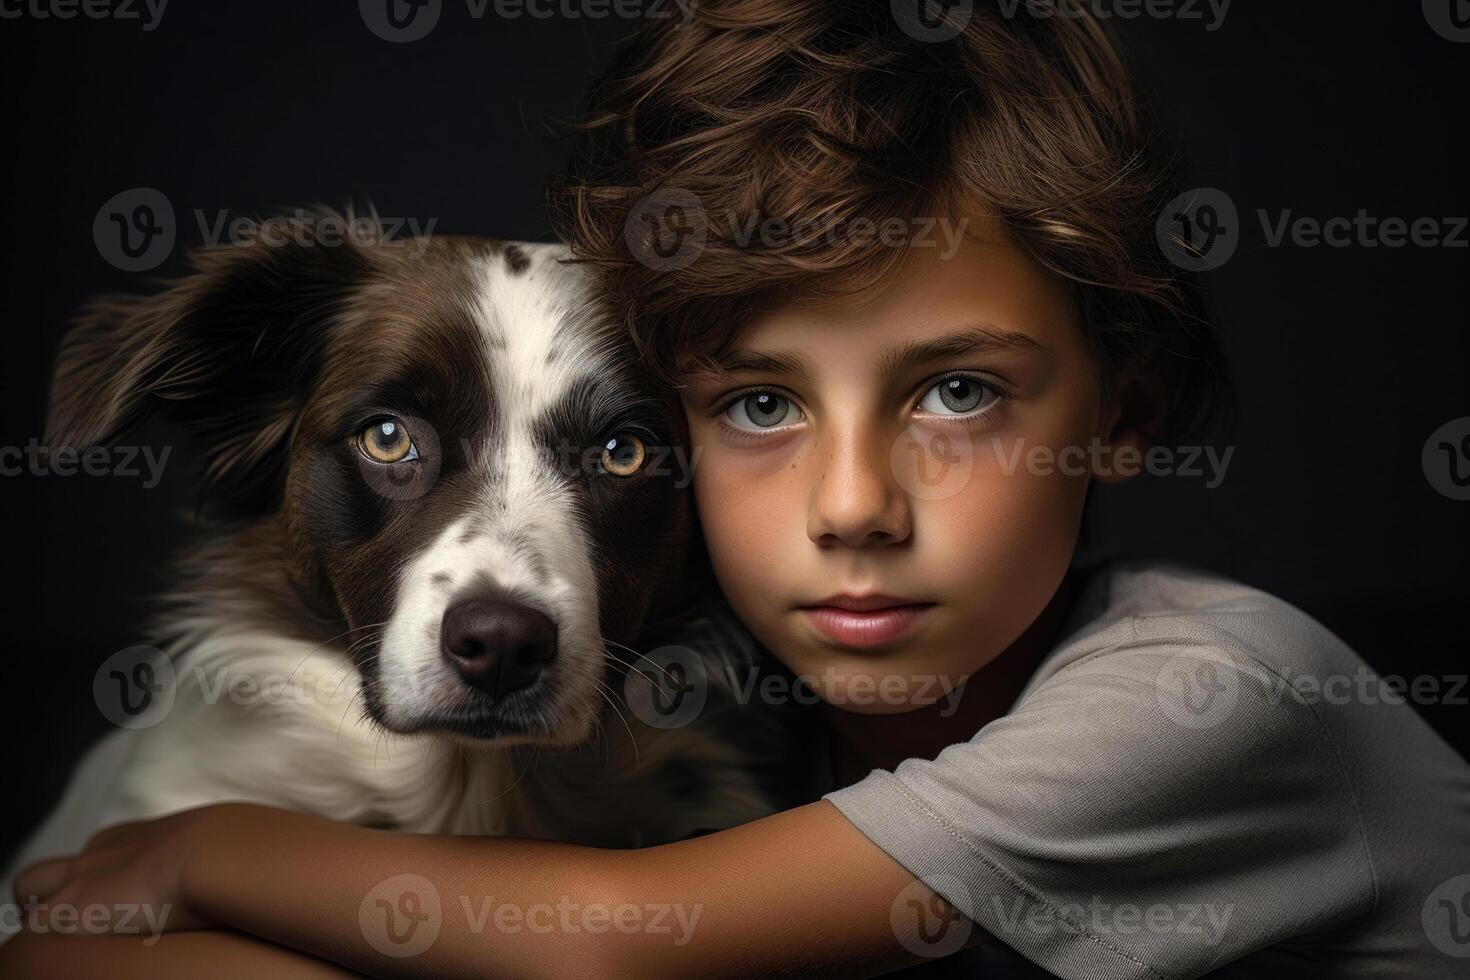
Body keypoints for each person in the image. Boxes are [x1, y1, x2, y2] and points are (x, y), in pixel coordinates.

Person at [6, 3, 1468, 977]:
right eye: (759, 407)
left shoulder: (1206, 695)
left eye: (957, 392)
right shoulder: (794, 731)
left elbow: (617, 942)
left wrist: (201, 856)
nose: (852, 506)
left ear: (1126, 412)